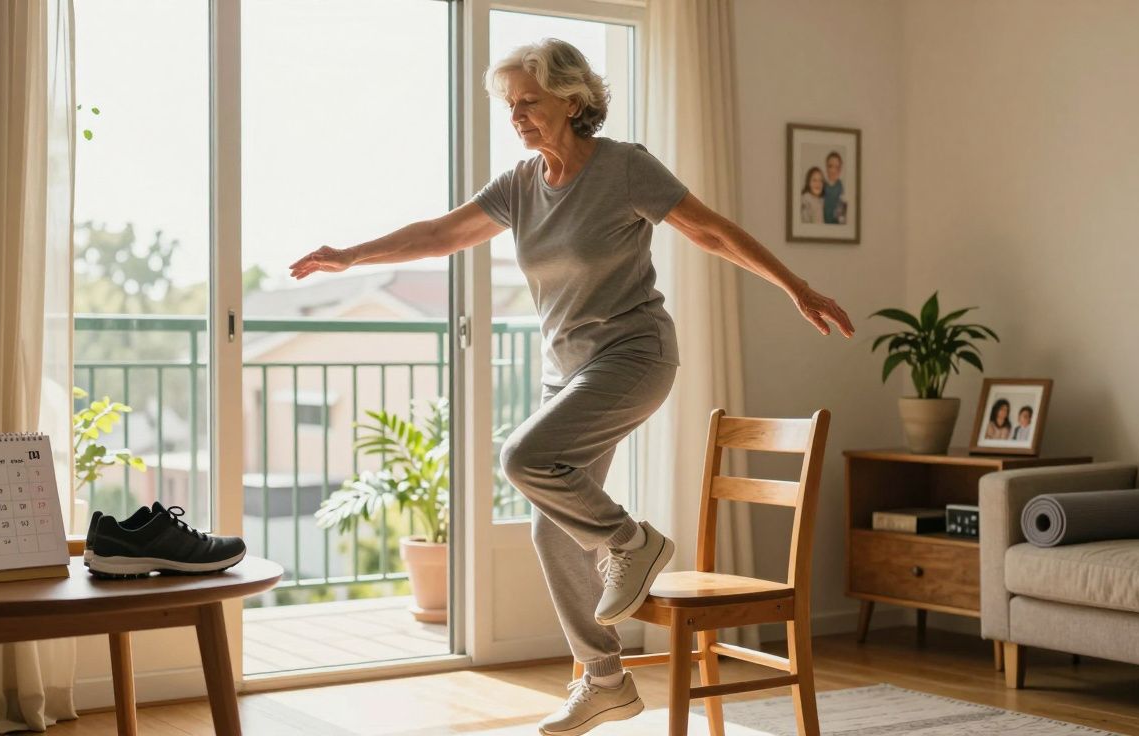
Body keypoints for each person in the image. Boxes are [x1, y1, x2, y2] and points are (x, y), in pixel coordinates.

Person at [289, 38, 854, 736]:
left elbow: (709, 231)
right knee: (549, 529)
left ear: (573, 99)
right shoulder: (522, 184)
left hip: (634, 354)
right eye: (510, 105)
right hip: (570, 372)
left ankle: (630, 541)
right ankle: (606, 679)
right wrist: (352, 255)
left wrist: (795, 286)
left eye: (529, 101)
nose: (518, 115)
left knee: (523, 460)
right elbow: (439, 234)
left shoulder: (623, 168)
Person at [823, 151, 847, 224]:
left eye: (837, 167)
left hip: (836, 223)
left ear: (840, 170)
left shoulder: (840, 186)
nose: (833, 170)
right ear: (826, 167)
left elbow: (842, 207)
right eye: (830, 166)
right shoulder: (822, 185)